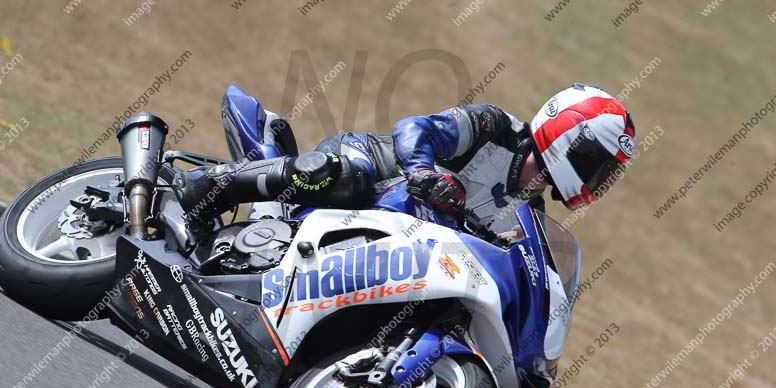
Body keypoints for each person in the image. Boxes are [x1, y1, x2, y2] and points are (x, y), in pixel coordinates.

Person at [175, 83, 635, 234]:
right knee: (345, 177)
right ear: (572, 140)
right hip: (369, 170)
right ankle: (207, 185)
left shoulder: (526, 216)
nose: (600, 176)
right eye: (601, 162)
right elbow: (415, 129)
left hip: (390, 243)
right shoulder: (495, 128)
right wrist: (423, 172)